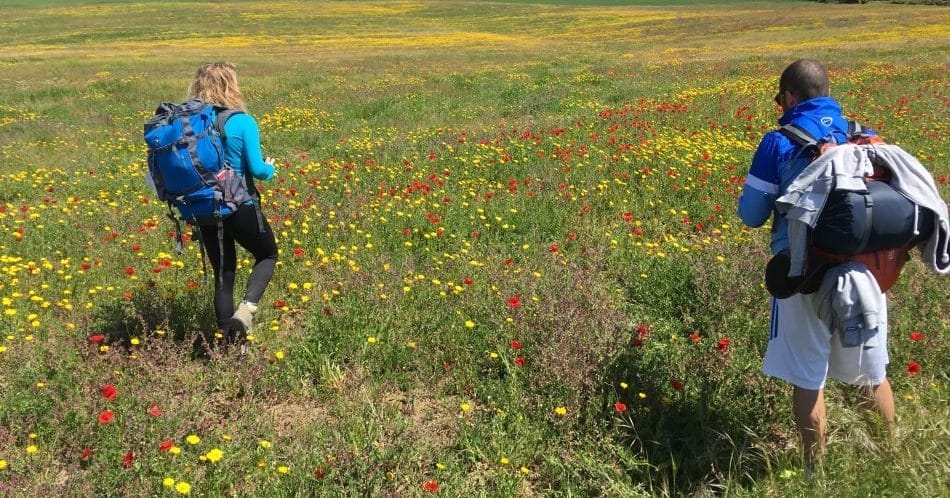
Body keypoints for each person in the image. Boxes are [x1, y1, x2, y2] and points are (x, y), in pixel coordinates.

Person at [737, 59, 895, 475]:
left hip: (803, 274)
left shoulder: (780, 141)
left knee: (809, 377)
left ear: (789, 96)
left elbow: (751, 214)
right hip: (865, 275)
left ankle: (815, 476)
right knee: (869, 373)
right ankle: (894, 459)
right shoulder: (863, 136)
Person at [186, 61, 278, 347]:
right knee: (267, 256)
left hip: (204, 208)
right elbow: (258, 171)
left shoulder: (189, 123)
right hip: (240, 205)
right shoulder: (241, 122)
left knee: (224, 274)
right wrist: (270, 168)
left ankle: (226, 347)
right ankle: (246, 312)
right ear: (231, 85)